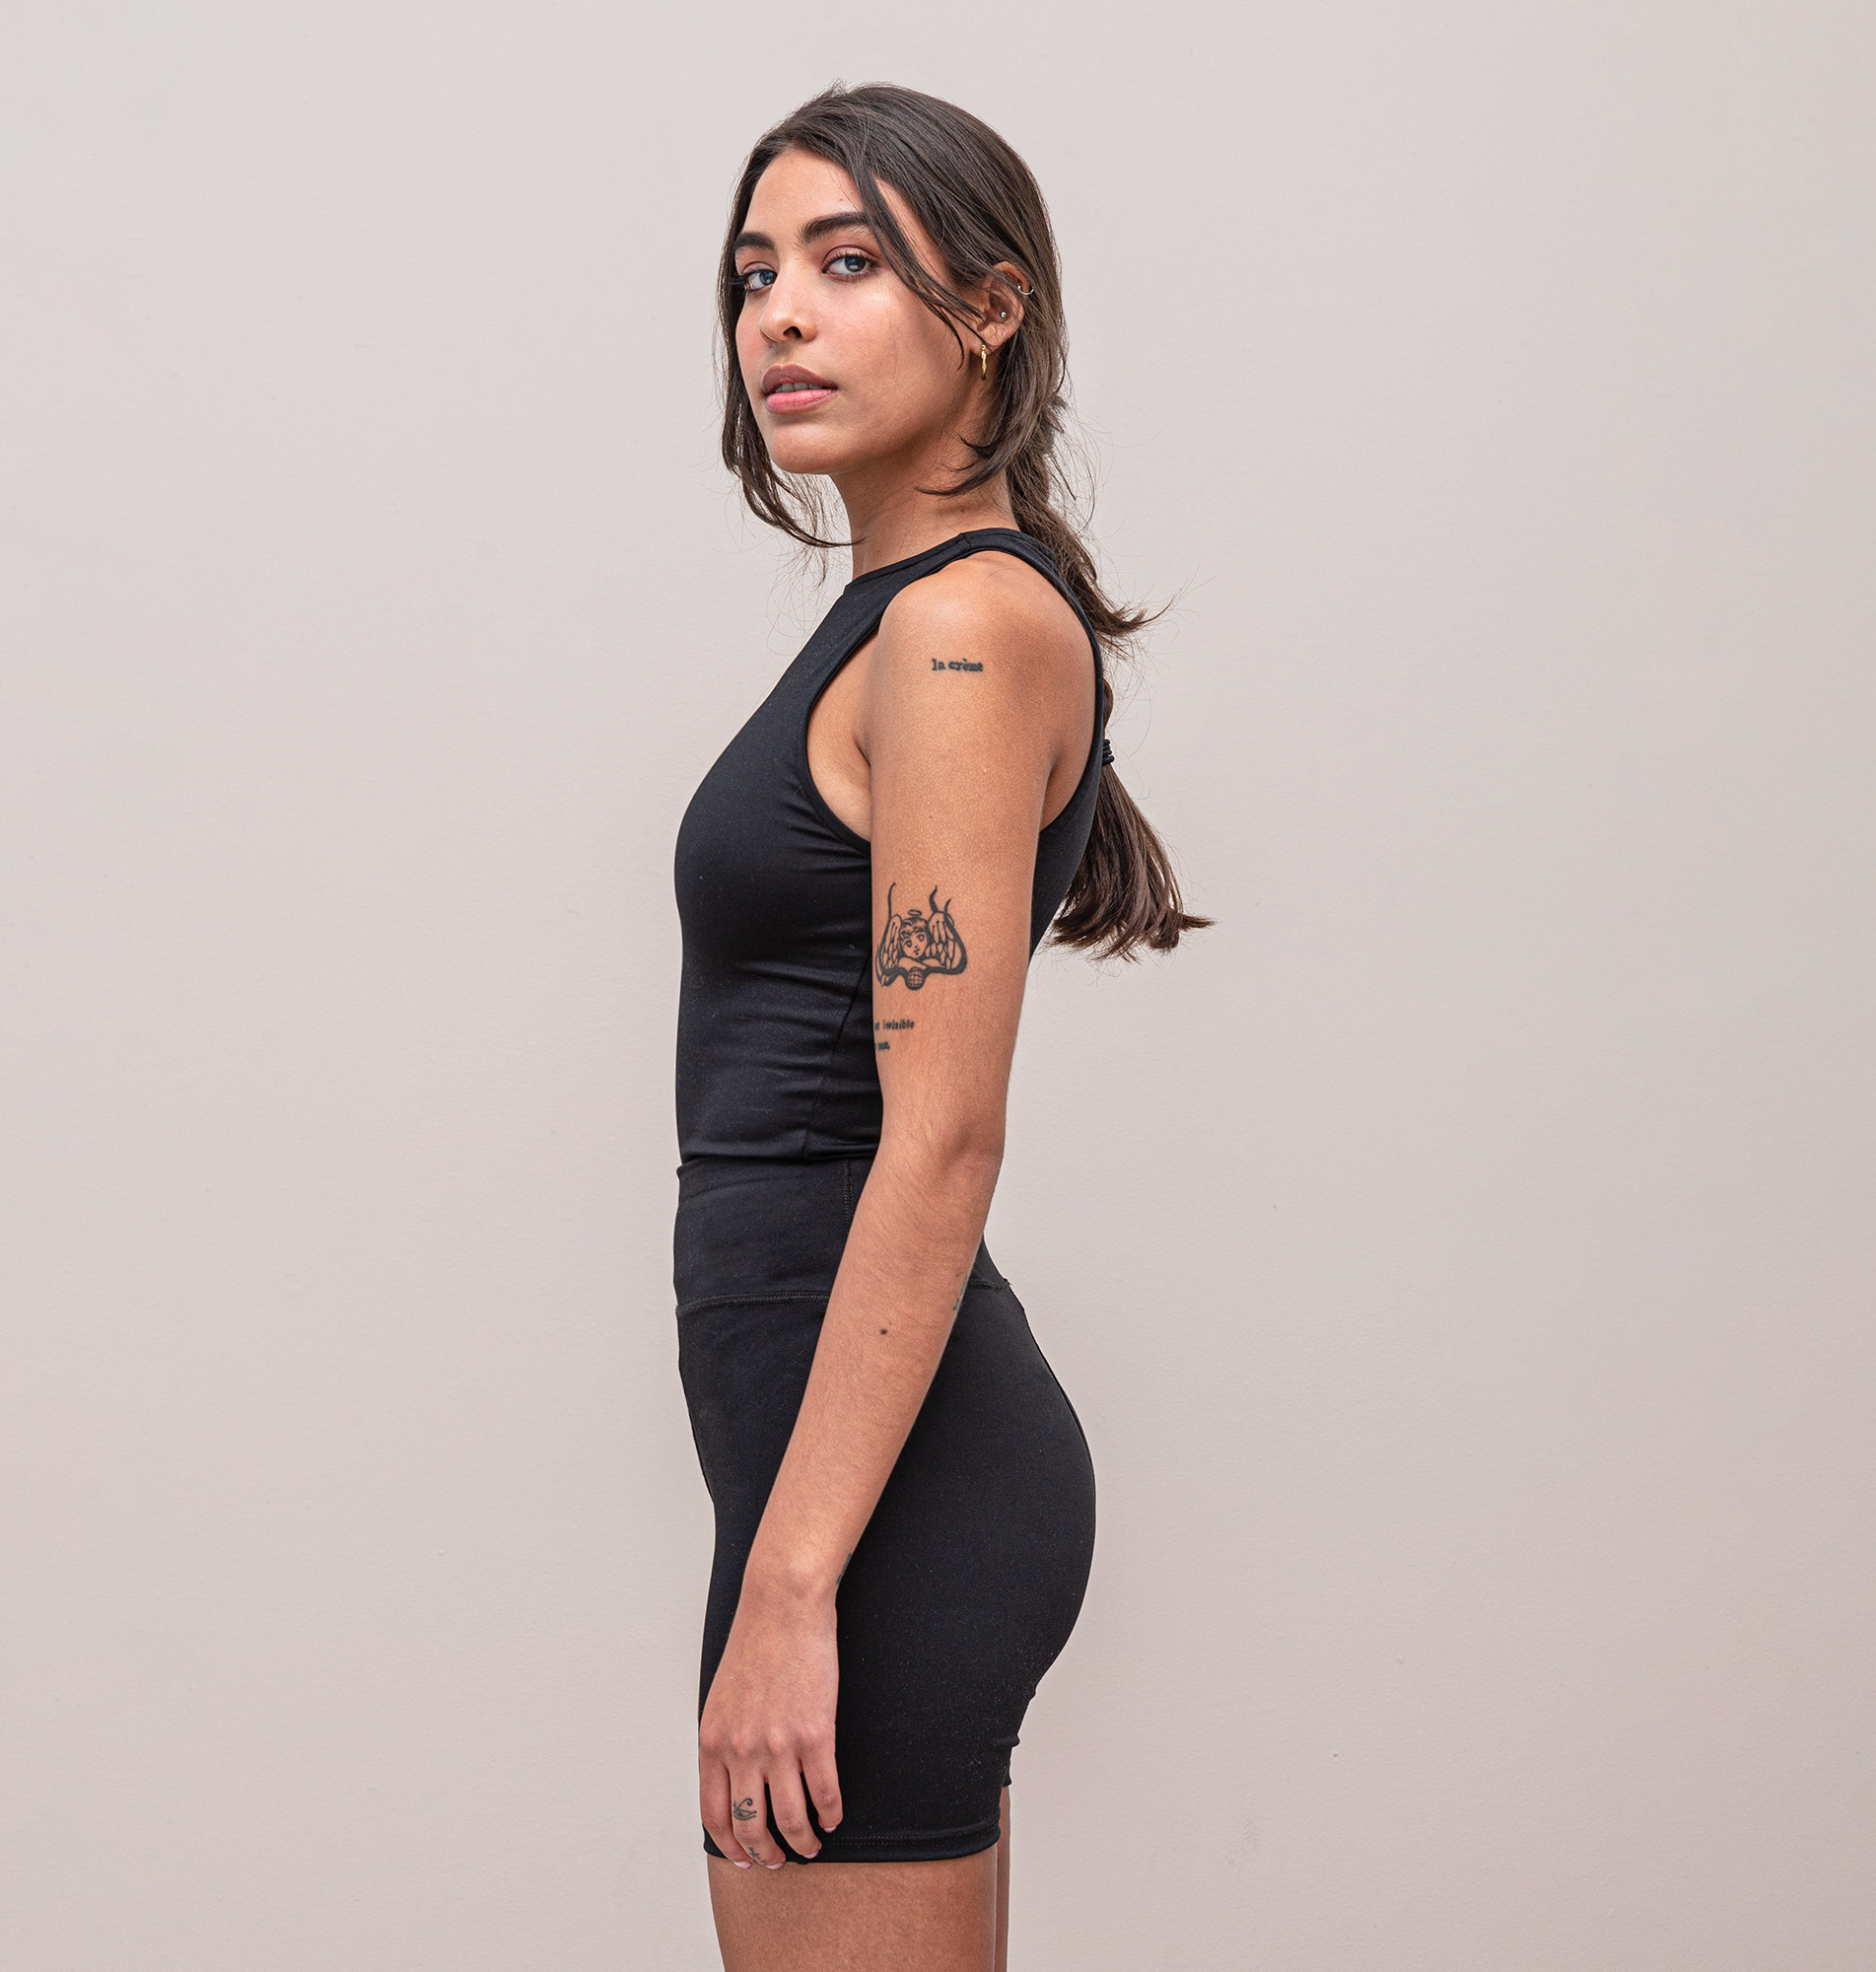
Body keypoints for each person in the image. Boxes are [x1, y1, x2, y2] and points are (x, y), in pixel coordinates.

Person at [671, 83, 1209, 1971]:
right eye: (755, 274)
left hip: (877, 1504)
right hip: (839, 1474)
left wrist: (795, 1582)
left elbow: (942, 1137)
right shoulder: (916, 617)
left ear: (990, 307)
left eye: (847, 263)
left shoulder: (960, 632)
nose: (780, 317)